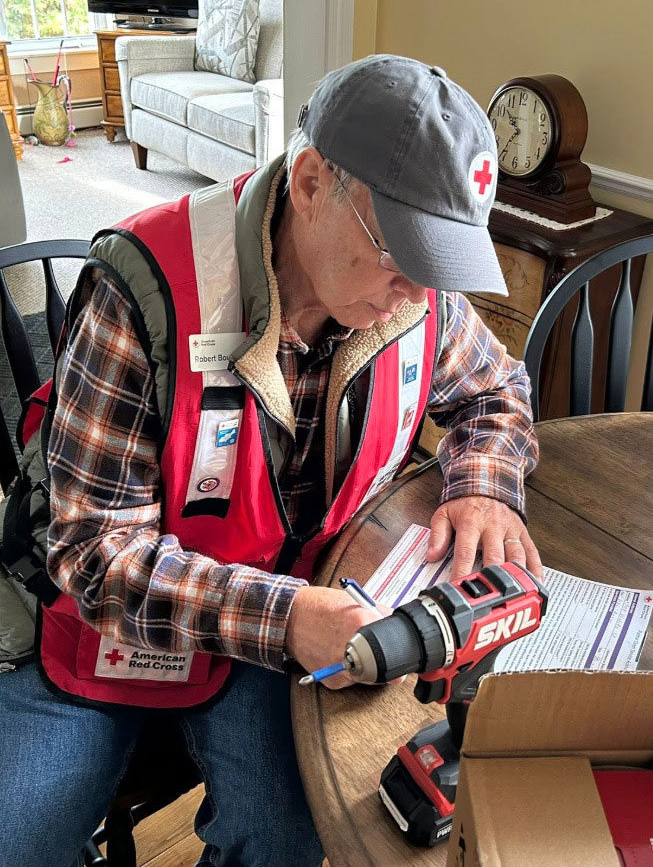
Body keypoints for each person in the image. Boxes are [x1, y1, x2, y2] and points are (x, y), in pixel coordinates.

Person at [0, 55, 541, 867]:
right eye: (401, 250)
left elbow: (496, 388)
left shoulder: (412, 291)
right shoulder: (143, 286)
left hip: (285, 627)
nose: (419, 291)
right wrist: (287, 618)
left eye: (439, 261)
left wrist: (484, 488)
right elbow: (92, 554)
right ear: (314, 180)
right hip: (105, 628)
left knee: (288, 840)